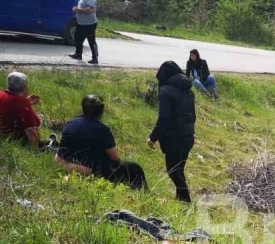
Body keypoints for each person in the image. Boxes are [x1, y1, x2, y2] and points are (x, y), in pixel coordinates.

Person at [55, 94, 147, 190]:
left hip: (65, 164)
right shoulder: (103, 130)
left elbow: (62, 150)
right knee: (135, 168)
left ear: (83, 108)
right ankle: (141, 192)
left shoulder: (69, 124)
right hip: (91, 169)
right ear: (101, 111)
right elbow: (115, 158)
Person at [147, 61, 196, 203]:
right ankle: (180, 199)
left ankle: (186, 201)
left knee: (173, 171)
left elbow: (164, 118)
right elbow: (193, 116)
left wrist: (153, 138)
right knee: (178, 169)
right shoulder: (189, 90)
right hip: (188, 136)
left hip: (175, 138)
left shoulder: (165, 91)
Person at [0, 72, 42, 148]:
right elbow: (30, 129)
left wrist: (27, 102)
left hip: (0, 136)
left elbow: (10, 107)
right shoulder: (21, 102)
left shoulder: (0, 94)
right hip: (15, 140)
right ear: (24, 88)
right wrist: (36, 151)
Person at [69, 0, 99, 65]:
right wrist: (77, 8)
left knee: (91, 40)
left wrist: (78, 10)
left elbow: (91, 10)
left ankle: (95, 58)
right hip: (81, 23)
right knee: (78, 38)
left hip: (89, 24)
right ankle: (78, 54)